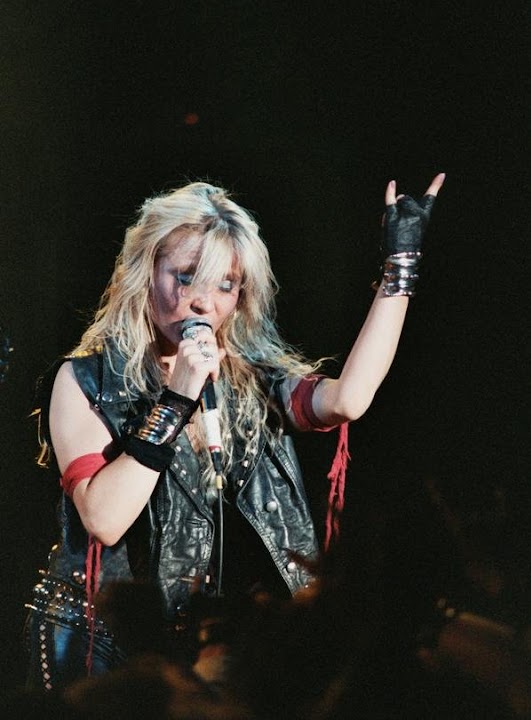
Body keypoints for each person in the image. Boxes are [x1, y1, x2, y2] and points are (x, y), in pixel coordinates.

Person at [24, 174, 445, 691]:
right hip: (106, 647)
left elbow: (347, 400)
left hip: (207, 647)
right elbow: (105, 519)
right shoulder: (87, 380)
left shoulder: (250, 380)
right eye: (186, 278)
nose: (204, 303)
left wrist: (400, 268)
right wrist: (177, 399)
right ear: (144, 272)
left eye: (225, 285)